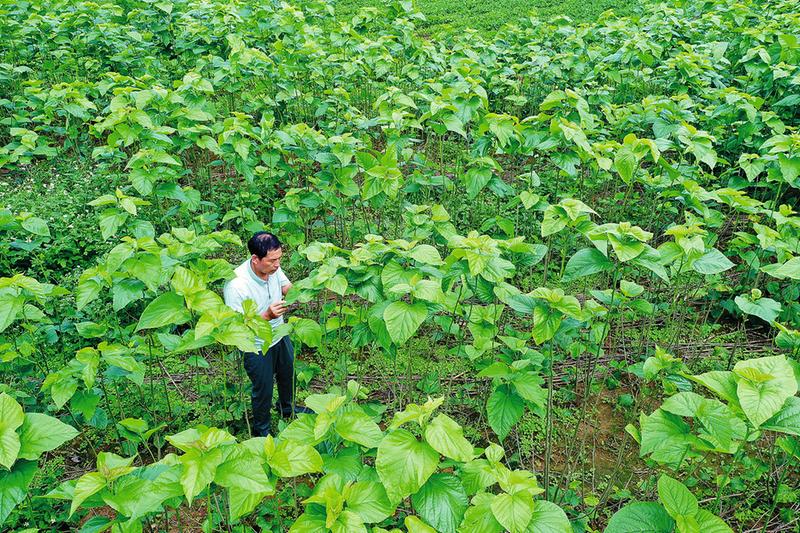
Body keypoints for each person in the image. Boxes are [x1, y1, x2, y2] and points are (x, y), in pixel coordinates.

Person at [223, 231, 311, 437]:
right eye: (273, 260)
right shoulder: (236, 285)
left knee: (287, 375)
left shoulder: (273, 269)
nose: (278, 264)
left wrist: (304, 291)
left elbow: (287, 286)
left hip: (280, 334)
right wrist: (267, 315)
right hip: (256, 344)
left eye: (280, 258)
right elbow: (236, 328)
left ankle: (287, 410)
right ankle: (261, 432)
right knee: (263, 389)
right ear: (255, 259)